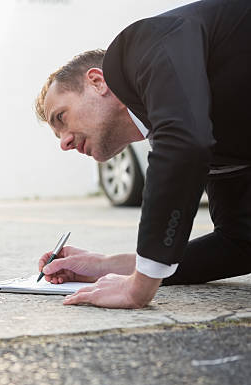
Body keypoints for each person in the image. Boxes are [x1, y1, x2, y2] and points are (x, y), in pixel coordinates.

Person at [34, 0, 251, 309]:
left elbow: (183, 143)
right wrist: (110, 265)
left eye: (61, 117)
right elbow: (240, 243)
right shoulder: (197, 125)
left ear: (97, 82)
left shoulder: (144, 43)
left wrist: (139, 288)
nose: (64, 143)